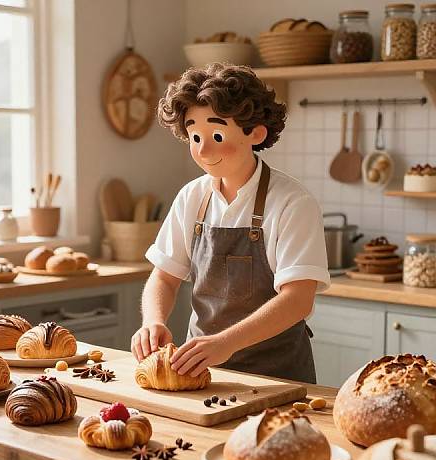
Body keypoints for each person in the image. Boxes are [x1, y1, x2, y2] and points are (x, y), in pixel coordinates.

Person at [131, 63, 330, 383]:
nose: (203, 149)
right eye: (195, 136)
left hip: (278, 379)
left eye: (216, 135)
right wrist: (153, 322)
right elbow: (164, 278)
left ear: (255, 133)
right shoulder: (191, 197)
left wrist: (226, 343)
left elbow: (298, 300)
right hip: (201, 374)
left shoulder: (293, 203)